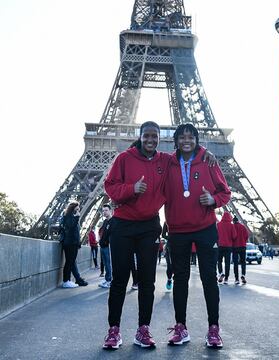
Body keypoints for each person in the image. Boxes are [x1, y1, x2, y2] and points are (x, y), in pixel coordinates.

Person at [102, 121, 216, 349]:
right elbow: (109, 186)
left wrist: (205, 151)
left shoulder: (166, 160)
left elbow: (188, 154)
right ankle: (113, 330)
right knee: (119, 279)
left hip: (149, 226)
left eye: (155, 136)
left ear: (160, 139)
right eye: (147, 136)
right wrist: (131, 189)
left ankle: (143, 329)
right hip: (123, 225)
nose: (151, 140)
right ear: (140, 136)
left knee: (148, 281)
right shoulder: (124, 159)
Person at [164, 123, 231, 348]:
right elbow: (147, 154)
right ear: (175, 140)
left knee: (209, 278)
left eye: (191, 137)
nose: (186, 140)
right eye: (182, 137)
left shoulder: (209, 161)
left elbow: (225, 192)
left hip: (204, 228)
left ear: (196, 139)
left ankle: (214, 328)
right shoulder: (168, 163)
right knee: (180, 279)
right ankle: (180, 326)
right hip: (178, 231)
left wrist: (213, 200)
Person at [61, 201, 82, 288]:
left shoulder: (70, 216)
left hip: (72, 243)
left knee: (70, 261)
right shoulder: (68, 216)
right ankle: (66, 281)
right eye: (77, 209)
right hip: (70, 243)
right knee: (69, 262)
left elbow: (76, 232)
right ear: (73, 208)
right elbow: (71, 226)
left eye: (78, 209)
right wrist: (77, 217)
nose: (78, 210)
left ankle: (68, 280)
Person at [217, 212, 236, 285]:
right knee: (227, 263)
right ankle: (226, 279)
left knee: (219, 261)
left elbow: (215, 235)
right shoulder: (231, 226)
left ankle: (221, 272)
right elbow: (234, 236)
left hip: (220, 246)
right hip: (228, 246)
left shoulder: (218, 225)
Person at [98, 204, 113, 289]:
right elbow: (103, 233)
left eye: (106, 210)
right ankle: (107, 279)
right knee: (106, 263)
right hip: (103, 245)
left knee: (108, 264)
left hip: (108, 246)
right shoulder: (105, 222)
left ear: (110, 211)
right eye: (103, 211)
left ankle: (110, 281)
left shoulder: (113, 221)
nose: (104, 212)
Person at [232, 216, 249, 285]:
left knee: (235, 263)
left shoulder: (232, 227)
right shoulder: (243, 227)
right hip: (242, 246)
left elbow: (232, 236)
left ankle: (236, 279)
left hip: (235, 247)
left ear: (233, 221)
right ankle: (243, 275)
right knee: (243, 262)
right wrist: (243, 241)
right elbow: (246, 236)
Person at [162, 222, 173, 291]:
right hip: (170, 246)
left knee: (179, 265)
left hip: (181, 244)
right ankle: (169, 279)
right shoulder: (166, 222)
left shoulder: (182, 218)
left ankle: (178, 282)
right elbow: (163, 234)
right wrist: (170, 238)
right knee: (170, 265)